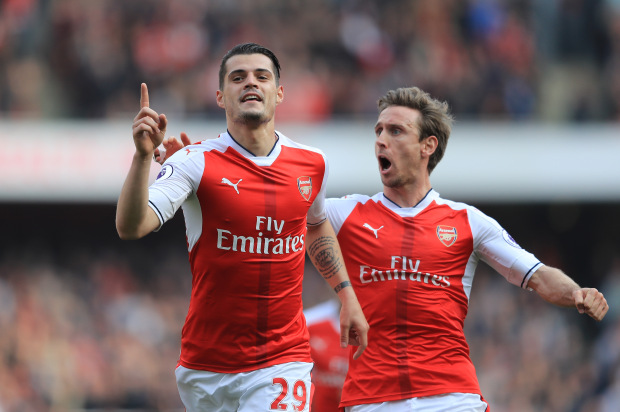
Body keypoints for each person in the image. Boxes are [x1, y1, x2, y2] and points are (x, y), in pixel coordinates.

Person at [157, 86, 609, 411]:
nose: (380, 139)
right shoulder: (344, 214)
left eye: (395, 130)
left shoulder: (468, 222)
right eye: (377, 130)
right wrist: (198, 180)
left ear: (428, 146)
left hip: (452, 395)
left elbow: (534, 274)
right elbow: (260, 208)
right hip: (371, 398)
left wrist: (577, 293)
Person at [116, 42, 368, 412]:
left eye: (261, 76)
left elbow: (315, 226)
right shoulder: (193, 162)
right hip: (205, 364)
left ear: (279, 93)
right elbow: (132, 226)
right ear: (220, 96)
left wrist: (346, 295)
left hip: (282, 359)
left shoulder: (313, 164)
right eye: (238, 77)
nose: (250, 82)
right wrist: (141, 158)